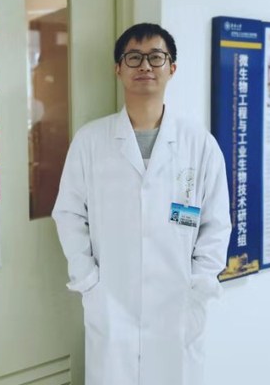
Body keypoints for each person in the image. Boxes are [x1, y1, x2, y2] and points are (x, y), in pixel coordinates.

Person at [52, 23, 231, 385]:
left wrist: (198, 284)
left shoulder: (199, 144)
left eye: (156, 57)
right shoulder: (91, 141)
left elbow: (216, 224)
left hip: (178, 304)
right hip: (111, 301)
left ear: (172, 68)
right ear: (118, 68)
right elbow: (68, 214)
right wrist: (88, 280)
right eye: (133, 57)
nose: (145, 65)